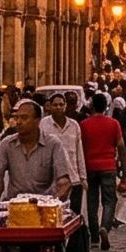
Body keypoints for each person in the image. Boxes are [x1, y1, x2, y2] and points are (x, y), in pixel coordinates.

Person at [0, 95, 72, 201]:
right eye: (17, 118)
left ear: (37, 121)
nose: (19, 122)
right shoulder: (7, 144)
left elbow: (64, 182)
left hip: (44, 205)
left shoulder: (53, 144)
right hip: (14, 204)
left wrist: (53, 203)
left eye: (24, 118)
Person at [78, 91, 123, 248]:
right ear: (106, 106)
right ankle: (105, 226)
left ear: (91, 106)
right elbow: (121, 146)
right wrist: (123, 168)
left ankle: (95, 237)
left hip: (90, 166)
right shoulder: (113, 124)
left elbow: (80, 147)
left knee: (92, 201)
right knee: (109, 200)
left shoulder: (84, 124)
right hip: (108, 166)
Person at [42, 92, 88, 222]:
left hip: (74, 178)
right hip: (53, 180)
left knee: (74, 216)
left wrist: (83, 176)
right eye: (55, 105)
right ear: (49, 106)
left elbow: (79, 152)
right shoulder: (43, 125)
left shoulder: (74, 126)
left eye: (61, 104)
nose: (58, 107)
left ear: (65, 106)